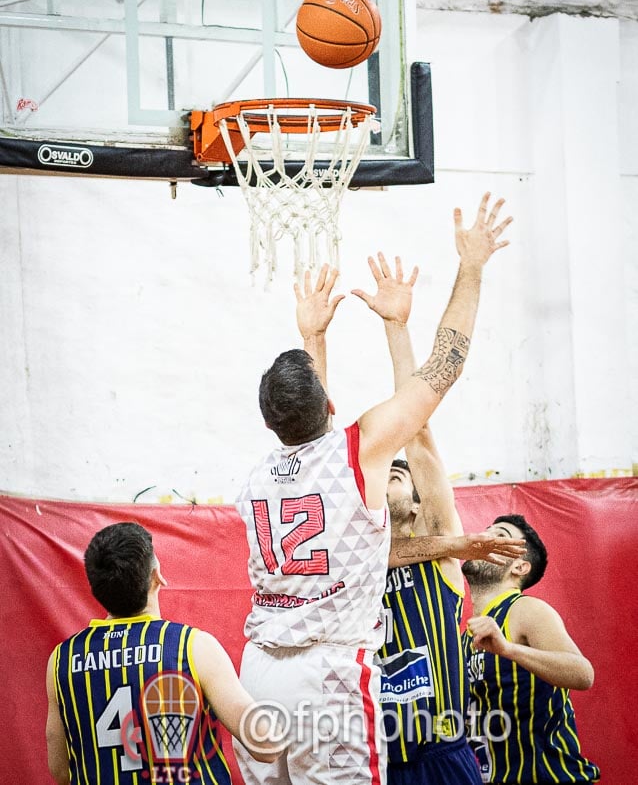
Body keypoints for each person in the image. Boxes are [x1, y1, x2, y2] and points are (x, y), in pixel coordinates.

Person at [233, 193, 513, 785]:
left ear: (268, 423)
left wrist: (313, 338)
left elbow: (312, 431)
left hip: (258, 672)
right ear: (332, 407)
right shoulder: (356, 454)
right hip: (329, 672)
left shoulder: (257, 475)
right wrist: (471, 267)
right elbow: (445, 365)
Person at [352, 252, 524, 785]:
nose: (394, 472)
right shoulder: (353, 552)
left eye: (402, 476)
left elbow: (418, 431)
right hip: (370, 755)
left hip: (439, 755)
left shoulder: (447, 551)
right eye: (389, 472)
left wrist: (397, 328)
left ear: (421, 504)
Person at [45, 522, 283, 785]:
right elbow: (266, 746)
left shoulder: (62, 660)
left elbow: (60, 770)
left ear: (96, 590)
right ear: (157, 576)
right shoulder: (192, 647)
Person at [462, 515, 600, 784]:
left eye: (499, 536)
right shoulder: (469, 633)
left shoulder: (524, 609)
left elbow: (583, 674)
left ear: (520, 567)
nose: (484, 539)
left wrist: (508, 649)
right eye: (484, 532)